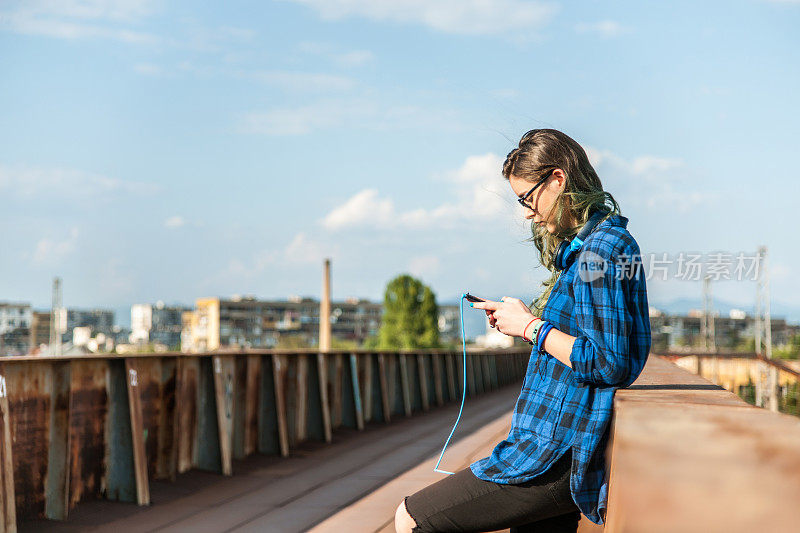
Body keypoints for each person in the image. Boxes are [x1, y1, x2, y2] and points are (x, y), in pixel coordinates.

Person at [395, 128, 651, 533]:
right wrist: (525, 322)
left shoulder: (602, 249)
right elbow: (588, 342)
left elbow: (609, 361)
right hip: (552, 445)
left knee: (413, 518)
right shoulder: (594, 248)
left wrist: (532, 327)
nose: (527, 213)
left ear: (558, 179)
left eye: (527, 199)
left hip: (556, 454)